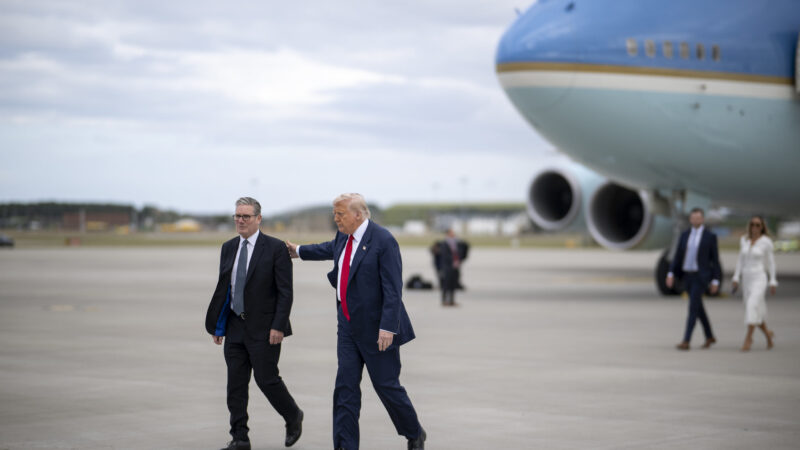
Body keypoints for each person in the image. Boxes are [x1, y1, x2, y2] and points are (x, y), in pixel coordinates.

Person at [286, 193, 425, 450]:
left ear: (358, 215)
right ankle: (345, 446)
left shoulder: (383, 241)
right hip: (347, 327)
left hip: (377, 329)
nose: (335, 219)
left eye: (340, 214)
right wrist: (299, 251)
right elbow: (329, 248)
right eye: (334, 214)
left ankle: (414, 432)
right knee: (345, 389)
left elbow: (393, 290)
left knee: (387, 387)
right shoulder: (343, 236)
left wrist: (387, 328)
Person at [205, 197, 304, 450]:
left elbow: (285, 292)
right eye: (237, 216)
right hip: (235, 326)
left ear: (258, 219)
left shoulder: (275, 248)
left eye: (246, 216)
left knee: (266, 379)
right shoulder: (228, 247)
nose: (240, 220)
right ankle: (240, 438)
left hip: (265, 328)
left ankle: (293, 415)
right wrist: (219, 325)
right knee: (235, 386)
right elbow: (224, 290)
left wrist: (279, 325)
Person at [666, 207, 721, 351]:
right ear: (690, 219)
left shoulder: (710, 237)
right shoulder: (684, 235)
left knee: (692, 308)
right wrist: (670, 273)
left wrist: (715, 280)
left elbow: (715, 261)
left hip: (701, 276)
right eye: (693, 218)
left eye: (698, 218)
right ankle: (709, 336)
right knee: (698, 308)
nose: (696, 220)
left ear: (702, 219)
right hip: (687, 275)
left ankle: (686, 340)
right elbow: (678, 256)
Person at [732, 215, 778, 351]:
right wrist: (736, 277)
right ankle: (768, 336)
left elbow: (771, 263)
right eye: (753, 224)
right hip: (747, 278)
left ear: (762, 227)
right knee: (754, 310)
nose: (755, 227)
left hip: (759, 277)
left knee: (752, 305)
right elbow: (740, 260)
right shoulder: (744, 240)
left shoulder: (766, 242)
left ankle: (748, 338)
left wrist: (773, 280)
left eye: (758, 225)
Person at [432, 229, 469, 306]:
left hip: (456, 266)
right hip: (447, 267)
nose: (453, 234)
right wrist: (453, 261)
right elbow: (444, 255)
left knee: (453, 284)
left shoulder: (457, 243)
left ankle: (452, 300)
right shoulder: (444, 243)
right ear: (448, 234)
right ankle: (444, 300)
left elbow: (462, 251)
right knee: (446, 284)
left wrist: (459, 260)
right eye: (451, 233)